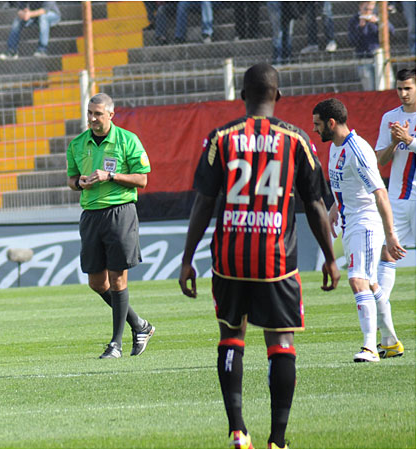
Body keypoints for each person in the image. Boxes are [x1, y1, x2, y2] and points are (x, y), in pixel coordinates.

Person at [179, 63, 340, 449]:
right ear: (278, 96)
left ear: (242, 95)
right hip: (276, 258)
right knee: (280, 341)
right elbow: (315, 205)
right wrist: (331, 258)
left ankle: (238, 431)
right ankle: (278, 440)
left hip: (231, 255)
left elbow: (203, 202)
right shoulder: (297, 140)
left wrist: (187, 258)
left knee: (232, 335)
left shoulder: (222, 138)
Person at [312, 98, 406, 363]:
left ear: (331, 123)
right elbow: (345, 184)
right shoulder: (335, 146)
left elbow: (380, 193)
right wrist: (334, 209)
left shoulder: (358, 150)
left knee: (357, 280)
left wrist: (390, 235)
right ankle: (390, 342)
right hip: (350, 220)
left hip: (365, 221)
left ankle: (369, 348)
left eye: (318, 125)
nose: (315, 130)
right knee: (371, 282)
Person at [66, 93, 155, 359]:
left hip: (120, 212)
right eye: (90, 113)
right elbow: (70, 179)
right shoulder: (78, 144)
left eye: (98, 114)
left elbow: (142, 180)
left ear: (111, 115)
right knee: (96, 282)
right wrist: (79, 183)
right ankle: (140, 326)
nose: (92, 119)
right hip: (91, 215)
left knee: (117, 279)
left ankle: (115, 344)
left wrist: (111, 175)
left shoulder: (128, 140)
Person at [374, 67, 416, 358]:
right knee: (385, 255)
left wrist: (410, 140)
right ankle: (387, 334)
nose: (403, 94)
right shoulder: (390, 118)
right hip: (398, 199)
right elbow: (379, 159)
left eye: (408, 88)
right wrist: (395, 141)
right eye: (399, 88)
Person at [348, 1, 394, 90]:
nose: (368, 12)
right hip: (364, 58)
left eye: (371, 9)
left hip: (380, 57)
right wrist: (361, 27)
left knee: (386, 88)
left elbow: (392, 32)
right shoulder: (354, 21)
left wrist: (378, 22)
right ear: (360, 6)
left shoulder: (378, 16)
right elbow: (352, 42)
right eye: (366, 9)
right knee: (370, 89)